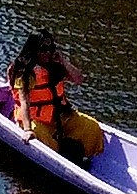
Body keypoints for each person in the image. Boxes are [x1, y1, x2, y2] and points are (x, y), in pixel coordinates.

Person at [6, 31, 105, 164]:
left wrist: (63, 61)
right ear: (34, 50)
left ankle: (80, 154)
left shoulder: (56, 66)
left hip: (59, 117)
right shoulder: (25, 72)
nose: (48, 52)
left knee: (91, 126)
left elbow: (79, 79)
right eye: (43, 49)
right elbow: (24, 102)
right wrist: (28, 130)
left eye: (51, 48)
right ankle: (61, 157)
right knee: (37, 133)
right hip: (35, 120)